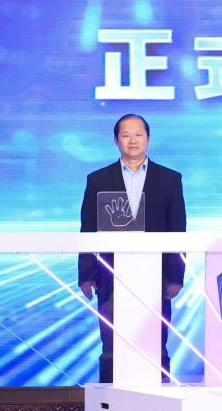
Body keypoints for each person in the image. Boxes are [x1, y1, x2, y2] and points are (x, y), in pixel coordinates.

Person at [78, 114, 186, 384]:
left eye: (138, 134)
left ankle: (160, 399)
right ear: (116, 140)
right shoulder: (98, 179)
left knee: (156, 339)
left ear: (148, 138)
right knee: (112, 342)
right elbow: (88, 229)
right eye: (126, 135)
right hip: (110, 275)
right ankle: (109, 402)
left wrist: (176, 276)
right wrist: (86, 275)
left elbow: (178, 230)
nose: (133, 140)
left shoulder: (170, 179)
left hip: (156, 276)